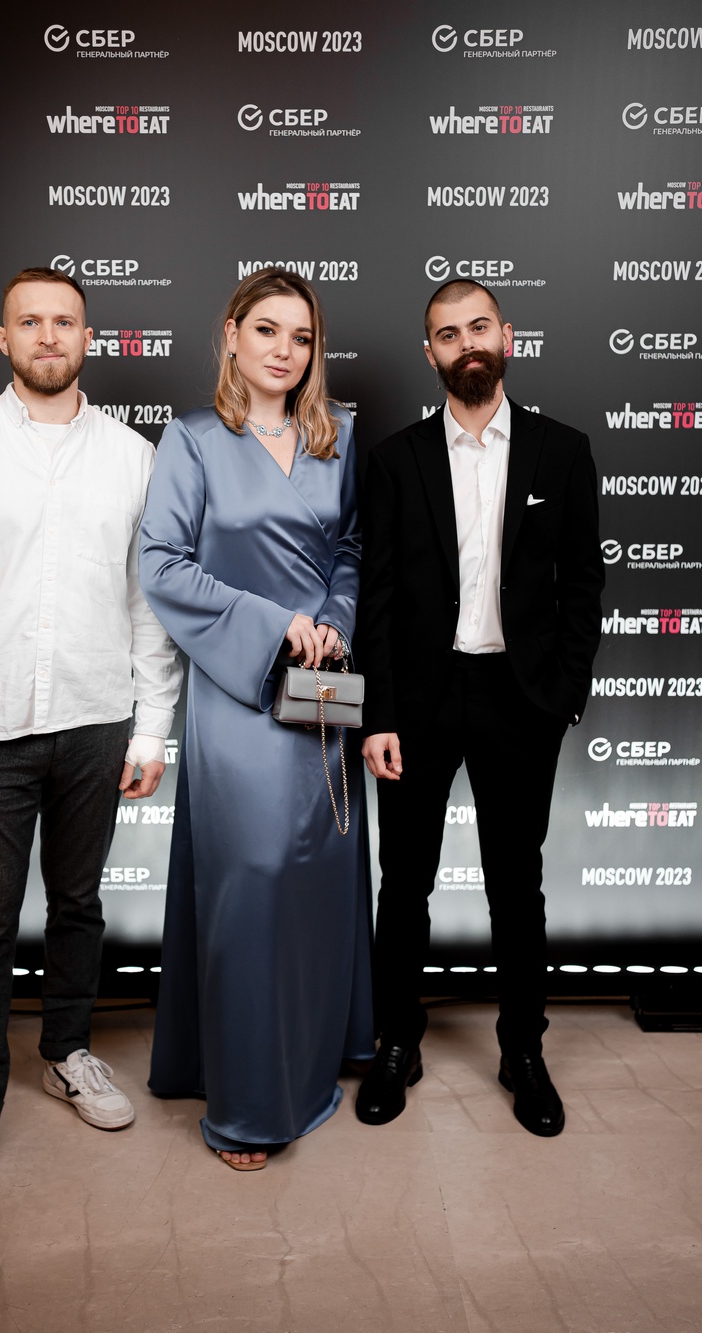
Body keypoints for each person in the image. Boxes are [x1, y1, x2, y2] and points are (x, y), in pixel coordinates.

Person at [0, 266, 182, 1212]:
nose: (49, 335)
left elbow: (148, 605)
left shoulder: (134, 456)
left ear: (88, 338)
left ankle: (66, 1051)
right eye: (31, 321)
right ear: (3, 337)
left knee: (78, 903)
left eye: (65, 321)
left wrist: (152, 728)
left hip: (97, 719)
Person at [138, 267, 375, 1170]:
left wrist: (336, 621)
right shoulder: (194, 438)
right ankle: (247, 1104)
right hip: (239, 692)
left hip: (322, 687)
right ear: (232, 334)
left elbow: (351, 547)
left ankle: (317, 1051)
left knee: (323, 872)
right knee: (253, 880)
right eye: (267, 330)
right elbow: (163, 563)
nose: (285, 350)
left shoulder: (337, 433)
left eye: (301, 336)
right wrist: (277, 624)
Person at [356, 279, 604, 1137]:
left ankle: (522, 1051)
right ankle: (398, 1043)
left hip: (521, 698)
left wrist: (562, 694)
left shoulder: (561, 450)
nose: (466, 343)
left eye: (479, 327)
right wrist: (378, 715)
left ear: (508, 337)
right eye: (447, 333)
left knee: (516, 886)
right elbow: (377, 599)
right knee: (404, 884)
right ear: (429, 352)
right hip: (419, 701)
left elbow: (583, 583)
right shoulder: (395, 459)